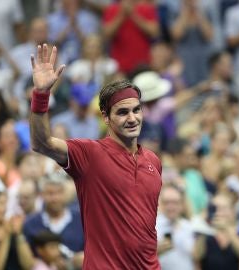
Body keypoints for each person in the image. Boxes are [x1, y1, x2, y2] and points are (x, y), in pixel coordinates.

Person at [29, 44, 162, 269]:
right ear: (106, 118)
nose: (132, 118)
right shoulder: (89, 154)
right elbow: (42, 143)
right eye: (122, 112)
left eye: (136, 110)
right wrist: (41, 94)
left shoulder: (153, 161)